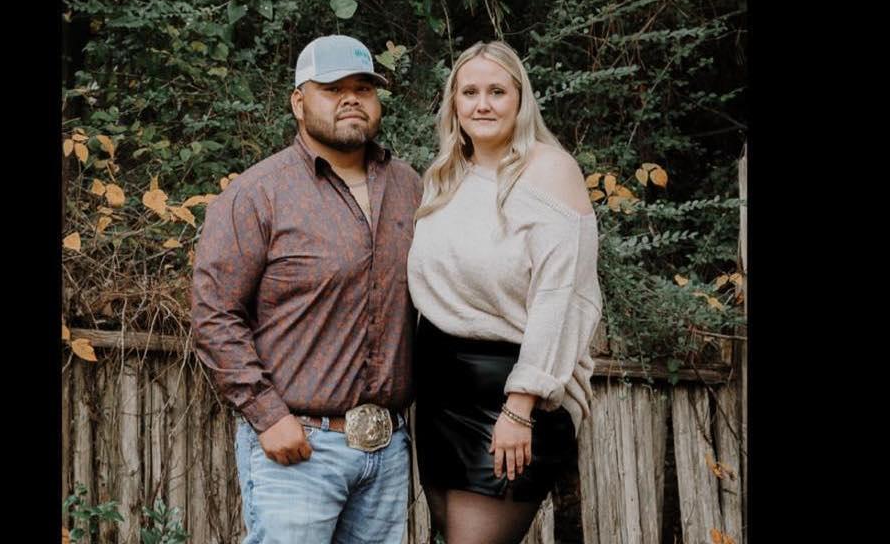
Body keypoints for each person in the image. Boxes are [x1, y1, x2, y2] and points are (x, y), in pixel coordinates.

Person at [191, 34, 422, 544]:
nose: (351, 99)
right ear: (298, 101)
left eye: (363, 88)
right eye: (332, 88)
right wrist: (267, 415)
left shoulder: (410, 187)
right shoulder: (258, 194)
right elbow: (214, 314)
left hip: (386, 451)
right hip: (298, 449)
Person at [407, 40, 603, 543]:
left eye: (497, 91)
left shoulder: (551, 171)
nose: (483, 104)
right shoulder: (445, 176)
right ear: (453, 103)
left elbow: (560, 298)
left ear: (520, 99)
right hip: (440, 391)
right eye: (469, 92)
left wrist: (519, 406)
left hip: (511, 393)